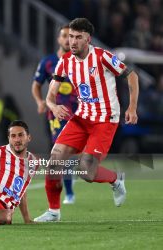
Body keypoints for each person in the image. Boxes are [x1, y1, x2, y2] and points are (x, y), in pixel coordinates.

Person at [34, 18, 139, 222]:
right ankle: (53, 211)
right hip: (81, 117)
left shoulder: (102, 56)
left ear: (88, 39)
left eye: (78, 37)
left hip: (105, 119)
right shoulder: (64, 62)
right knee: (54, 162)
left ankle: (116, 179)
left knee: (87, 172)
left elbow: (132, 76)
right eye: (70, 36)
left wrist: (132, 107)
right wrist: (54, 107)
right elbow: (50, 95)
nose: (72, 41)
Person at [31, 24, 78, 205]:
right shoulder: (48, 62)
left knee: (73, 155)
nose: (68, 39)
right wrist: (40, 102)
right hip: (56, 115)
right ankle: (68, 193)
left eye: (71, 36)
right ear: (59, 39)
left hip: (80, 114)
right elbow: (36, 85)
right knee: (60, 153)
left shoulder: (81, 61)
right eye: (64, 36)